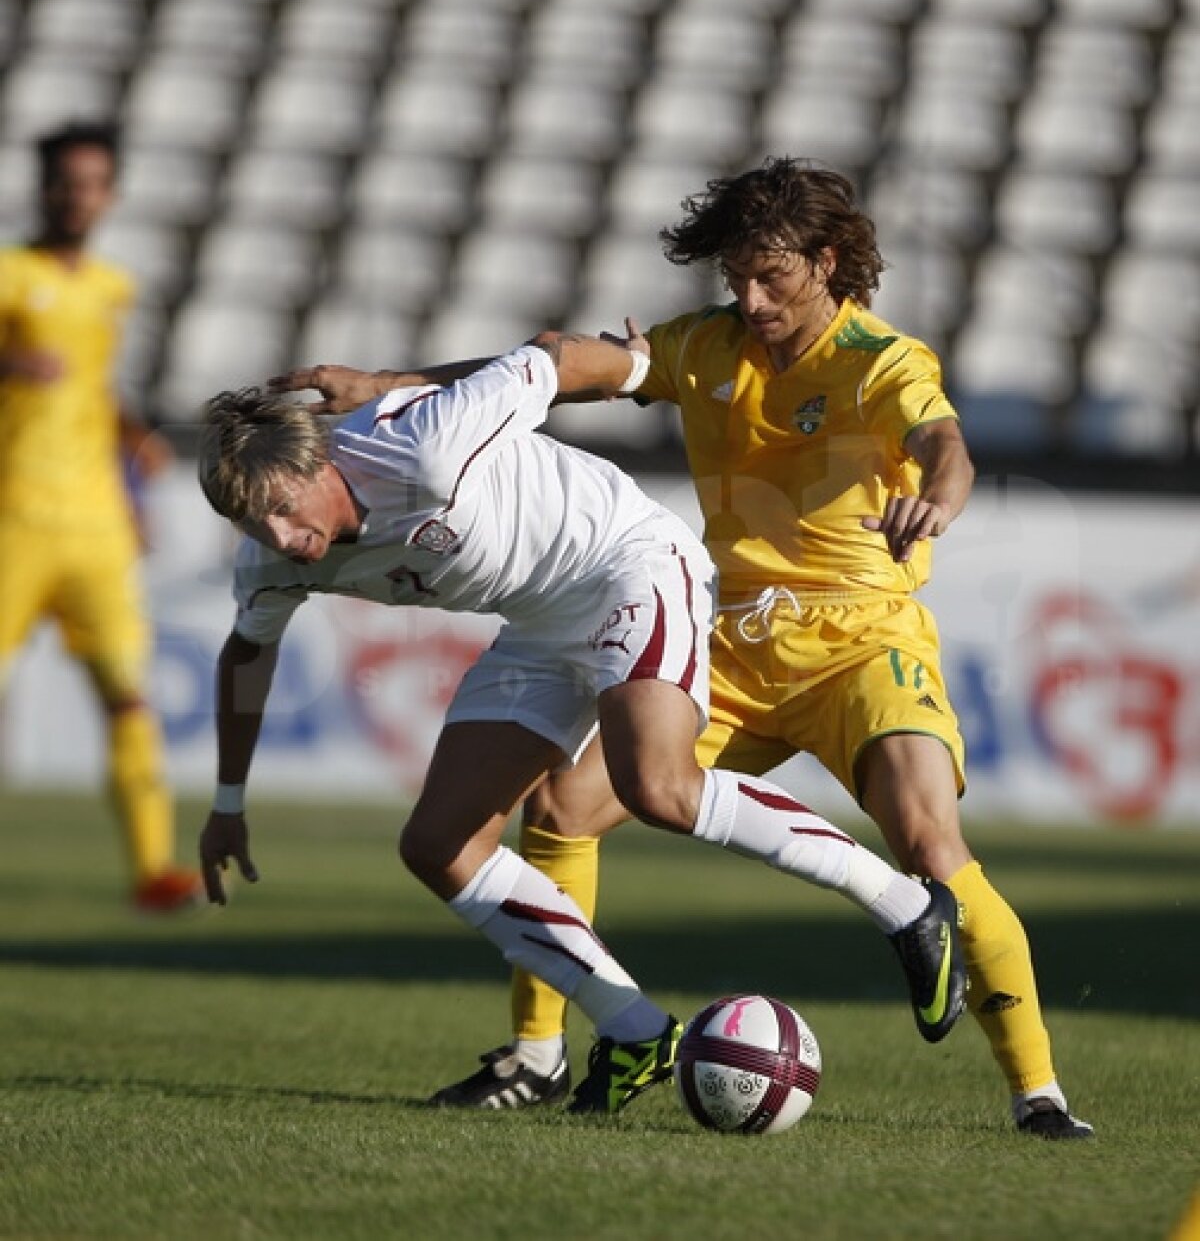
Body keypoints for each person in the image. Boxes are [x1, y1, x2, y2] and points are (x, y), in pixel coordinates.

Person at [276, 159, 1092, 1139]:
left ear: (828, 263)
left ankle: (1037, 1095)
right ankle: (537, 1054)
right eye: (736, 280)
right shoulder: (703, 348)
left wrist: (939, 502)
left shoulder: (880, 359)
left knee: (928, 847)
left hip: (860, 644)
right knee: (565, 807)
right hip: (731, 645)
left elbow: (944, 447)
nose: (749, 301)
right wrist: (384, 384)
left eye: (771, 279)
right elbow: (553, 368)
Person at [199, 330, 966, 1116]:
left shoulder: (419, 443)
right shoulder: (272, 560)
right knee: (438, 845)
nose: (282, 541)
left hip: (627, 560)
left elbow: (553, 355)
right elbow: (246, 656)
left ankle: (907, 906)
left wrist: (641, 370)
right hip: (540, 622)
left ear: (319, 463)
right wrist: (227, 804)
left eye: (284, 511)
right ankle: (634, 1028)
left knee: (659, 785)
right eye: (254, 525)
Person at [0, 123, 201, 911]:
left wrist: (133, 444)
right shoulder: (11, 273)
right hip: (13, 515)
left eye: (92, 182)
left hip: (95, 526)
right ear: (41, 186)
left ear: (108, 195)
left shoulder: (113, 286)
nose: (77, 195)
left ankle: (154, 868)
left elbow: (88, 385)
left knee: (127, 693)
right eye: (65, 181)